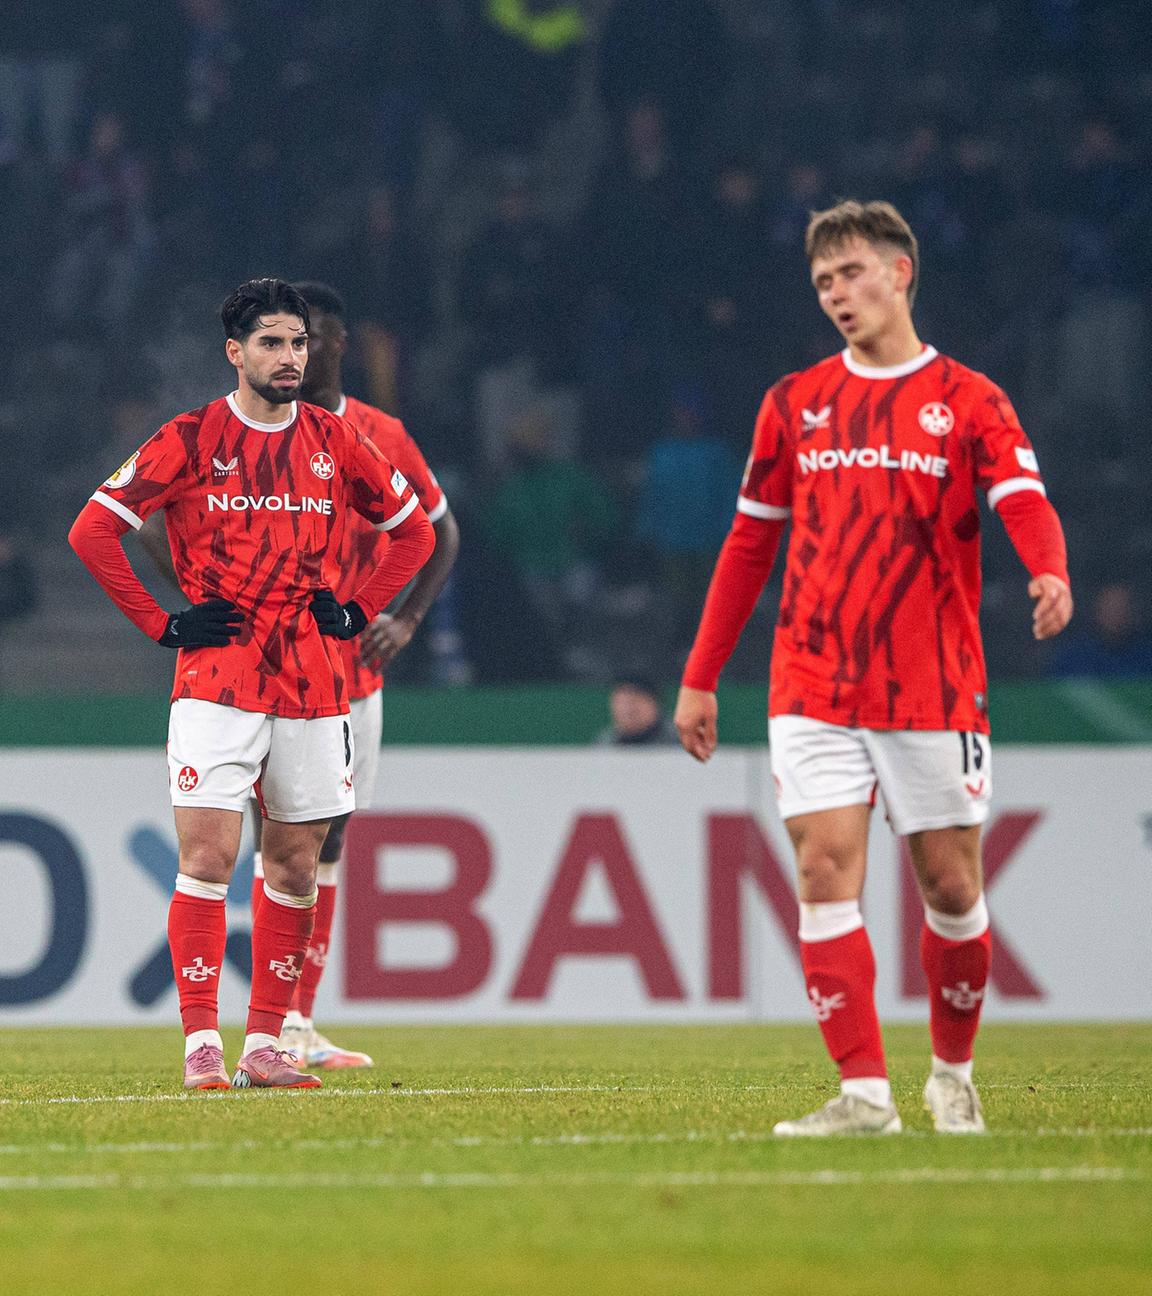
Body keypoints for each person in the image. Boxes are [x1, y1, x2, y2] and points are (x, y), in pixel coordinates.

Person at [674, 201, 1073, 1136]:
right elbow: (746, 546)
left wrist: (1048, 570)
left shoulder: (969, 400)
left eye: (851, 274)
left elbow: (1023, 498)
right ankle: (863, 1094)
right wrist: (701, 674)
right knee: (822, 868)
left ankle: (951, 1073)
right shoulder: (794, 403)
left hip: (930, 685)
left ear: (902, 272)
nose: (837, 294)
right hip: (812, 680)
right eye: (822, 283)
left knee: (951, 889)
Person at [69, 278, 435, 1090]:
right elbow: (94, 528)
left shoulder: (336, 442)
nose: (289, 358)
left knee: (296, 867)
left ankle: (266, 1047)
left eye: (298, 343)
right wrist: (162, 624)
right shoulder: (194, 436)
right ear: (235, 353)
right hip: (217, 683)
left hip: (315, 685)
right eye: (271, 343)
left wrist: (361, 610)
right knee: (208, 855)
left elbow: (412, 531)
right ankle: (202, 1046)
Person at [596, 677, 678, 747]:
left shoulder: (680, 741)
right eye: (621, 702)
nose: (627, 710)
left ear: (655, 704)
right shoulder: (606, 744)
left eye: (634, 701)